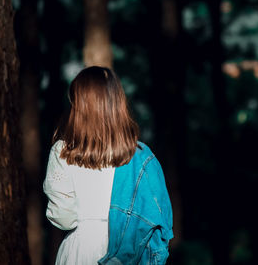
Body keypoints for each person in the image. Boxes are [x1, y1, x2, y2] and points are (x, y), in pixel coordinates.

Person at [43, 66, 173, 265]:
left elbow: (64, 218)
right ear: (116, 103)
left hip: (80, 249)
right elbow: (159, 218)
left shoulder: (63, 151)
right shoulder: (138, 155)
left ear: (78, 105)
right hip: (125, 252)